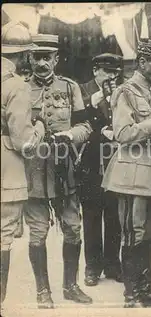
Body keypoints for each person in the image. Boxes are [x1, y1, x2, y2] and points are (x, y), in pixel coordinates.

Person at [101, 39, 151, 308]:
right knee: (133, 234)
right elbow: (123, 133)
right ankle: (132, 296)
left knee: (145, 234)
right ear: (142, 62)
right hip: (131, 176)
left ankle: (146, 290)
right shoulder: (126, 92)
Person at [23, 34, 93, 308]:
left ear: (56, 59)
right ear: (29, 58)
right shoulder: (19, 89)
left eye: (47, 57)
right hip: (34, 172)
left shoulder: (70, 87)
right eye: (37, 56)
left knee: (73, 228)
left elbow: (86, 126)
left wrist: (69, 135)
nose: (42, 62)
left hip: (65, 170)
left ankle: (70, 285)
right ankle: (43, 291)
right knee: (38, 231)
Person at [1, 22, 46, 308]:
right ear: (24, 55)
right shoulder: (16, 85)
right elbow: (23, 142)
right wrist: (39, 126)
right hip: (6, 166)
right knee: (4, 234)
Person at [78, 53, 123, 287]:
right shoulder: (81, 90)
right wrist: (92, 103)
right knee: (93, 216)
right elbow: (75, 121)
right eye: (107, 72)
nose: (112, 76)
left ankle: (113, 265)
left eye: (116, 72)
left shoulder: (120, 90)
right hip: (92, 161)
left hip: (115, 159)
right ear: (96, 71)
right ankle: (92, 267)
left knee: (114, 214)